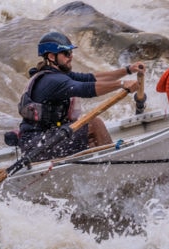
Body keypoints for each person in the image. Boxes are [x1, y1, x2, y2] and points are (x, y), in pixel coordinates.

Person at [17, 31, 144, 162]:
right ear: (51, 56)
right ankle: (114, 164)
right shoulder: (52, 81)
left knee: (92, 140)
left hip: (49, 138)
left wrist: (128, 70)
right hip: (37, 147)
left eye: (71, 52)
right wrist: (122, 84)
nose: (71, 57)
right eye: (66, 53)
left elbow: (92, 78)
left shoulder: (58, 74)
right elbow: (84, 89)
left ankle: (100, 167)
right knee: (95, 124)